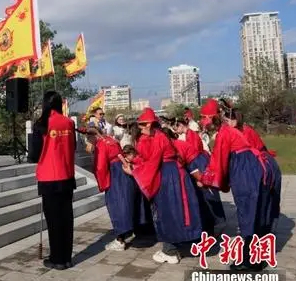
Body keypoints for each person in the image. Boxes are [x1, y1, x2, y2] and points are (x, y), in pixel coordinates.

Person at [192, 100, 281, 271]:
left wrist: (204, 179)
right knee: (257, 213)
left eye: (203, 118)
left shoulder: (224, 133)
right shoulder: (230, 130)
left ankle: (249, 260)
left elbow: (218, 163)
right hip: (256, 169)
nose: (202, 122)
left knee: (248, 213)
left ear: (212, 118)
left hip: (247, 172)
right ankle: (258, 257)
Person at [120, 107, 202, 265]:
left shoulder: (156, 138)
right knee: (176, 210)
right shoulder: (159, 136)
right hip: (173, 173)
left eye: (142, 125)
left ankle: (169, 250)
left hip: (167, 176)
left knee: (167, 212)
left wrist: (134, 172)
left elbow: (151, 163)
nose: (140, 128)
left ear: (149, 124)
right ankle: (174, 246)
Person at [34, 91, 76, 270]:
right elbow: (73, 147)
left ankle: (57, 259)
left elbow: (35, 154)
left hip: (49, 177)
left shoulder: (42, 124)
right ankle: (66, 257)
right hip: (66, 175)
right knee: (66, 218)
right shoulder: (69, 122)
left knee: (54, 220)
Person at [165, 127, 226, 235]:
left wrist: (200, 178)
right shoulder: (176, 143)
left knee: (209, 195)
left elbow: (189, 163)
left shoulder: (175, 145)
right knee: (203, 197)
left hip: (198, 164)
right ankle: (211, 225)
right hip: (196, 163)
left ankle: (219, 223)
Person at [91, 127, 141, 251]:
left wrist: (102, 184)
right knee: (127, 203)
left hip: (115, 175)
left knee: (117, 206)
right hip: (122, 170)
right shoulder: (111, 140)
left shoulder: (101, 144)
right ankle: (131, 232)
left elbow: (100, 166)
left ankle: (120, 240)